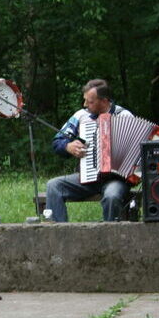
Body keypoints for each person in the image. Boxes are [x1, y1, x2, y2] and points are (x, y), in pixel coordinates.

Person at [45, 79, 136, 222]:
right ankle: (60, 233)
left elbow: (138, 151)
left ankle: (111, 237)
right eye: (85, 100)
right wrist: (68, 146)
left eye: (90, 101)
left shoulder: (125, 117)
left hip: (116, 180)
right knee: (53, 186)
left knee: (112, 196)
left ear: (104, 101)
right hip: (87, 178)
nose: (85, 105)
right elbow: (57, 142)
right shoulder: (81, 116)